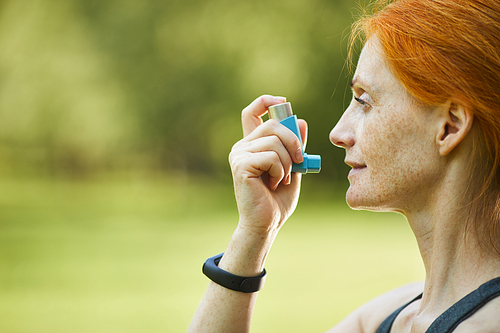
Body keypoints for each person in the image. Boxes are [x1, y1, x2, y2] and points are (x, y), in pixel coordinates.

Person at [188, 0, 500, 331]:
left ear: (449, 127)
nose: (338, 133)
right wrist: (255, 232)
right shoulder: (396, 315)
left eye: (364, 101)